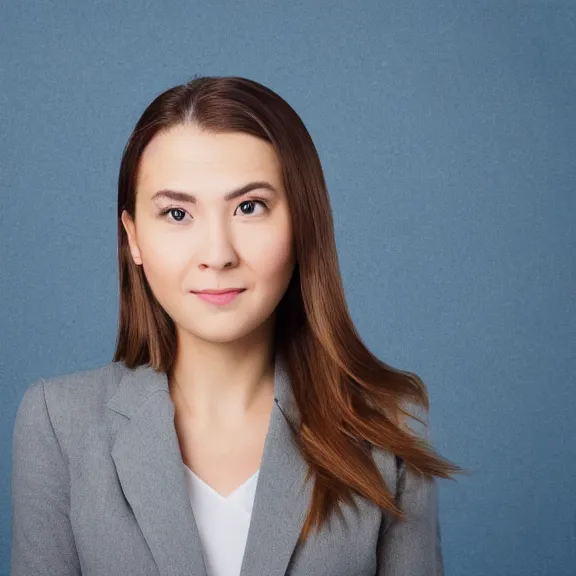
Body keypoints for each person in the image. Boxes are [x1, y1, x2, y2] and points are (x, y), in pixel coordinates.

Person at [10, 75, 463, 576]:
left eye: (249, 207)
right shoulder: (59, 423)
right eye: (178, 213)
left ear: (302, 225)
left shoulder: (386, 425)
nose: (218, 255)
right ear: (133, 238)